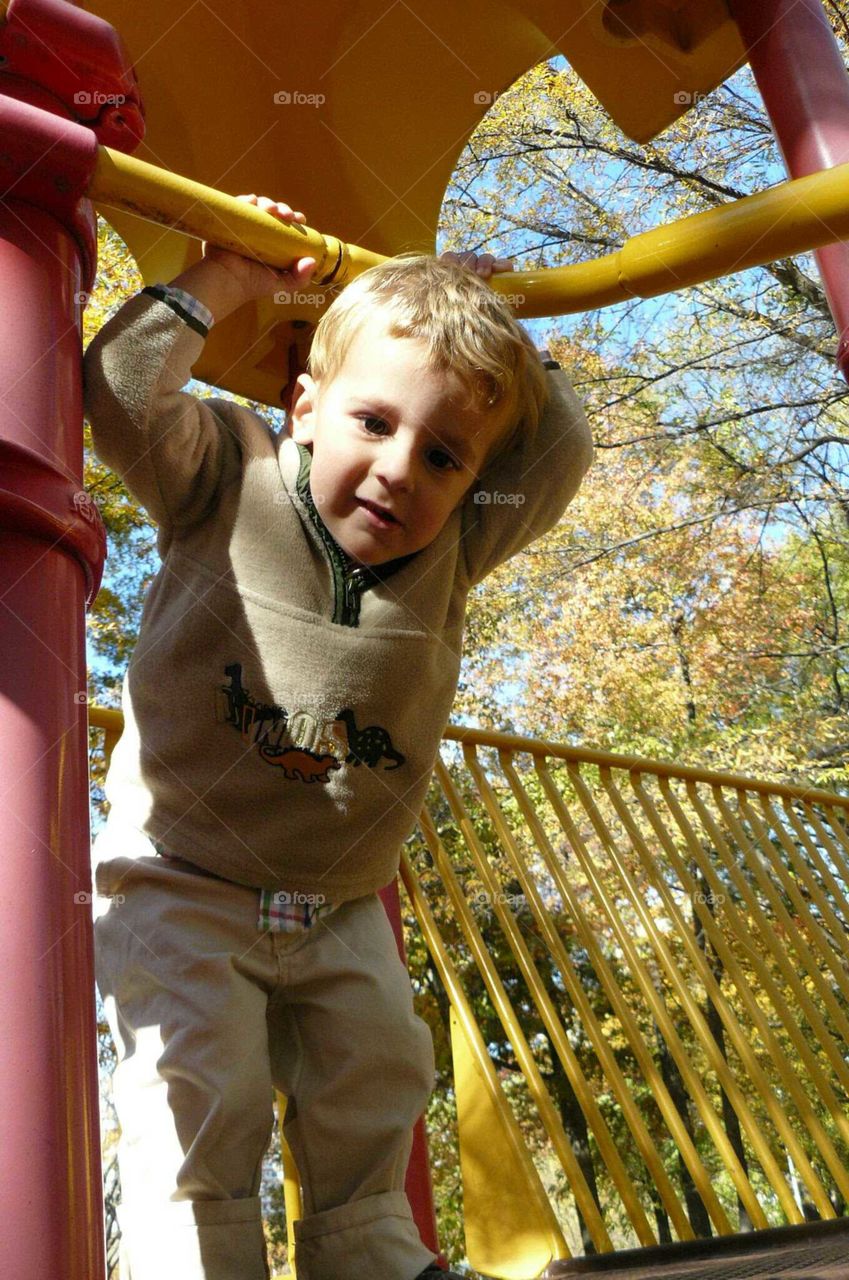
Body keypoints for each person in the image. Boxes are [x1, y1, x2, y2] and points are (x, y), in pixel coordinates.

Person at [85, 195, 593, 1280]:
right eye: (374, 422)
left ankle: (372, 1257)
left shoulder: (457, 546)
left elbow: (558, 453)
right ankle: (189, 1261)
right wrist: (226, 276)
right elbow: (123, 392)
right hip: (183, 875)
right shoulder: (227, 474)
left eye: (448, 453)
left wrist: (492, 316)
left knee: (376, 1083)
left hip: (341, 899)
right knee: (197, 1095)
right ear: (304, 404)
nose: (405, 469)